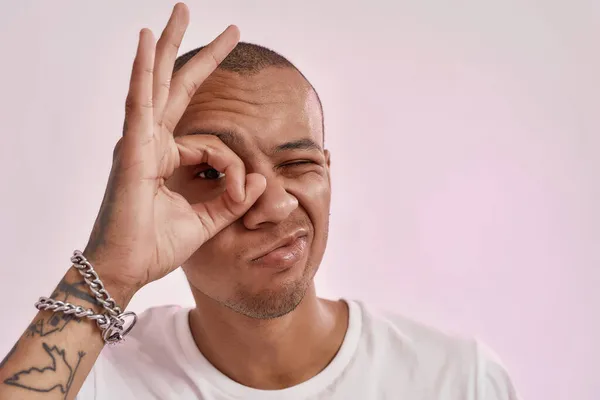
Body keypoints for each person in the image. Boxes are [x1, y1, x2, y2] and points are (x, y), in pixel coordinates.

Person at [0, 3, 521, 399]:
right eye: (211, 172)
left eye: (297, 165)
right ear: (154, 194)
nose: (273, 205)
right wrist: (110, 271)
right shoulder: (91, 378)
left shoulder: (455, 380)